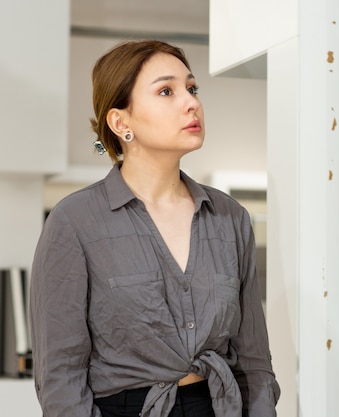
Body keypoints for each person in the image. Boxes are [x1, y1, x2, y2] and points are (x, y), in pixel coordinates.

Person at [29, 40, 280, 417]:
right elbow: (60, 377)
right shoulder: (75, 221)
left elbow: (255, 362)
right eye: (166, 91)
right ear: (120, 122)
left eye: (192, 88)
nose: (191, 102)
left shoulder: (231, 218)